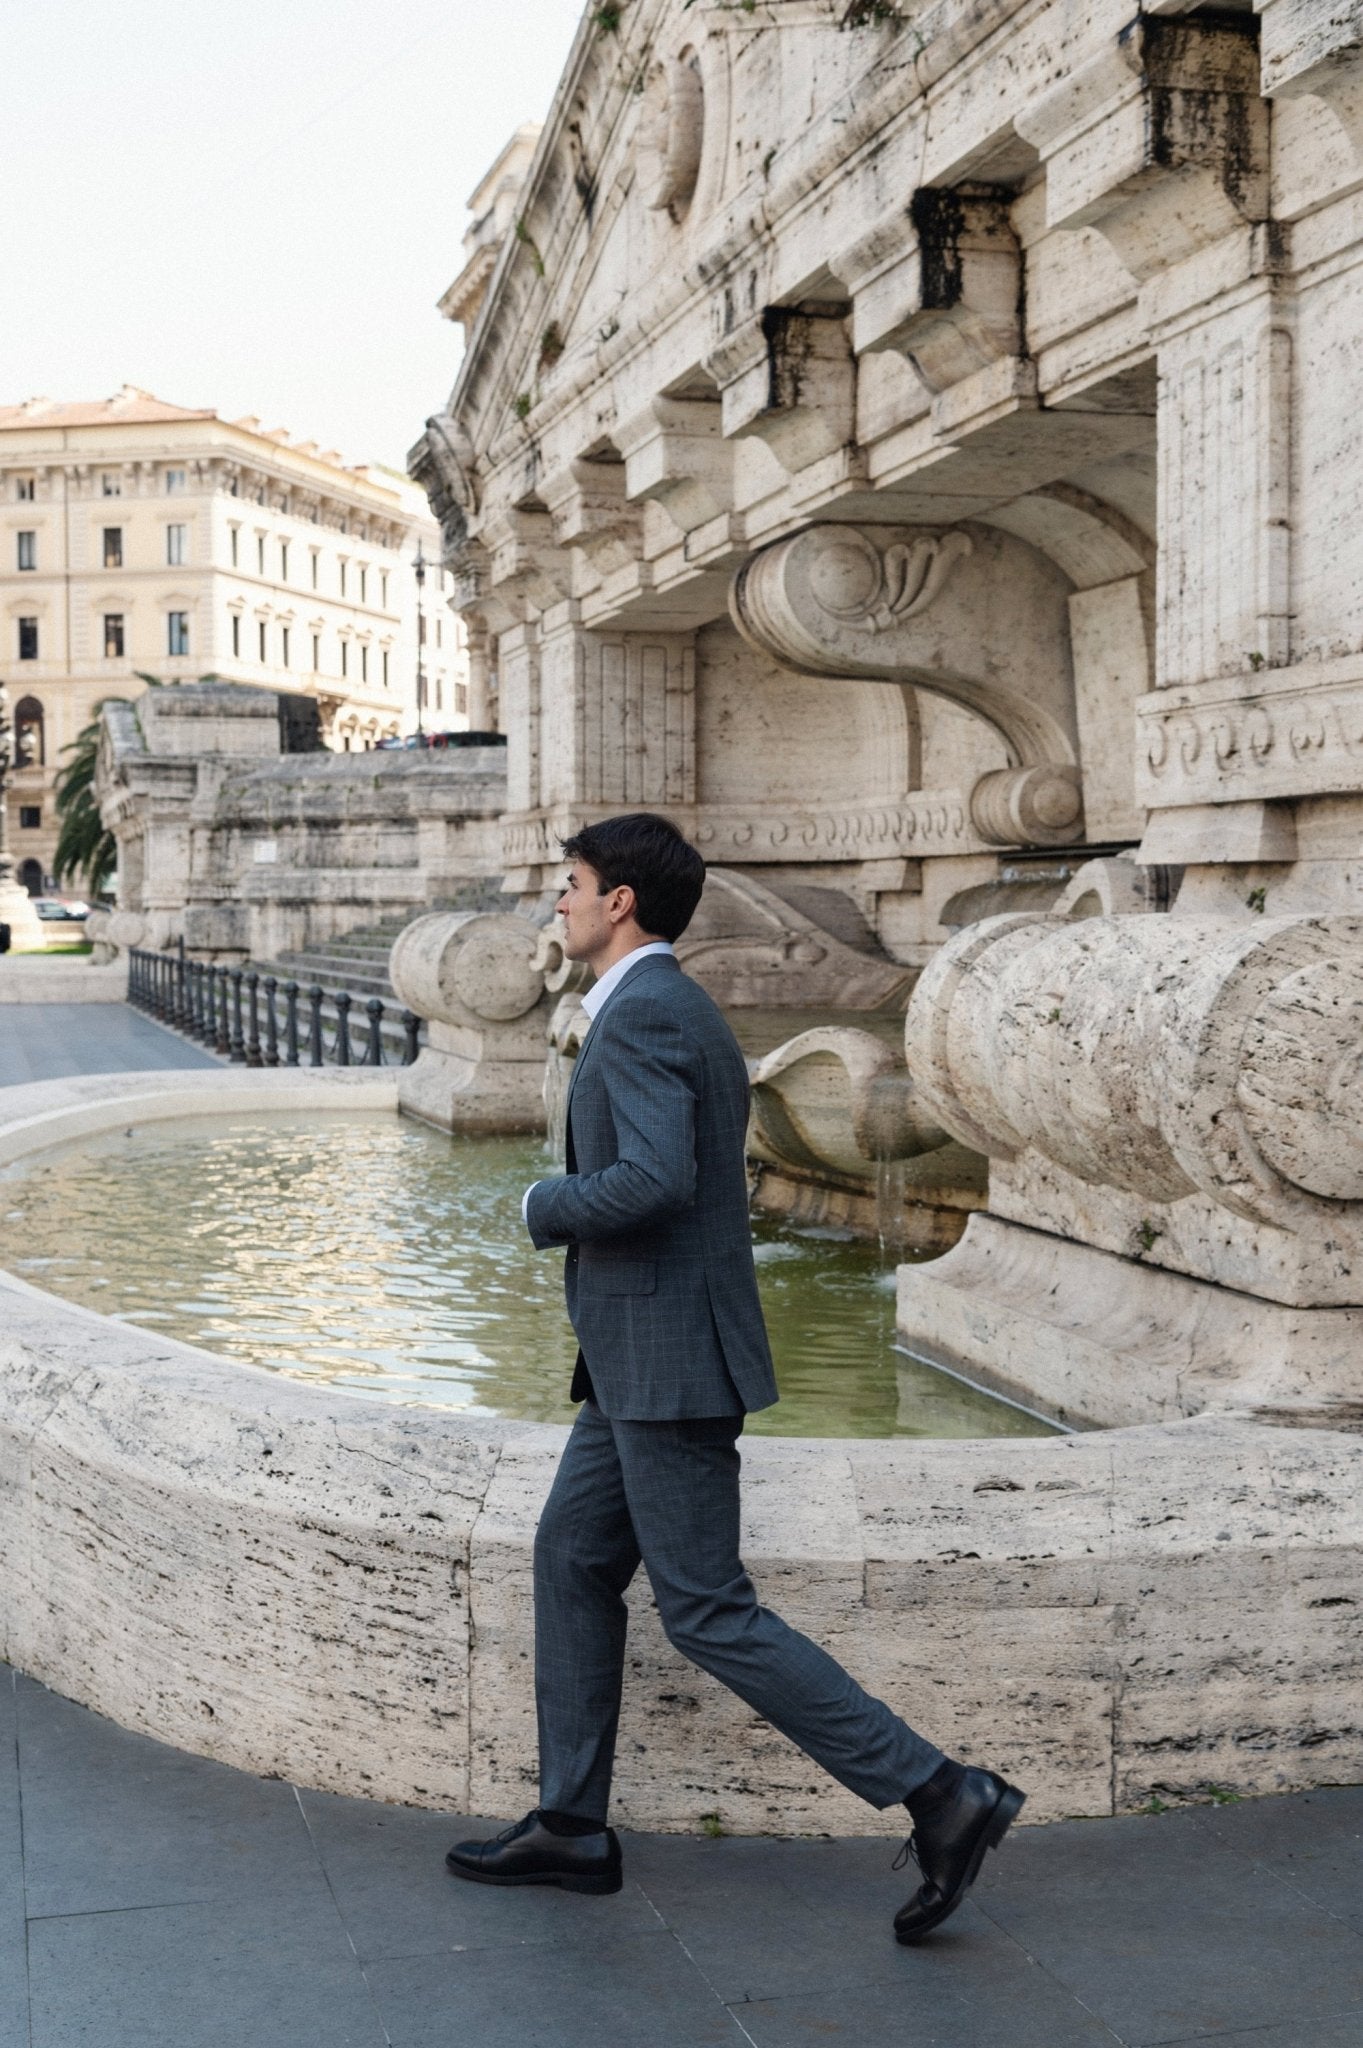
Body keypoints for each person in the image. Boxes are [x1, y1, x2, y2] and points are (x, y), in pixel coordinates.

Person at [445, 812, 1023, 1941]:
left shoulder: (652, 1008)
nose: (552, 903)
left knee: (707, 1608)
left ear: (619, 902)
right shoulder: (640, 1004)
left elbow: (653, 1178)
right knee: (570, 1555)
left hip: (666, 1359)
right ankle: (569, 1822)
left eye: (567, 883)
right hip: (634, 1357)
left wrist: (539, 1204)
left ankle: (941, 1791)